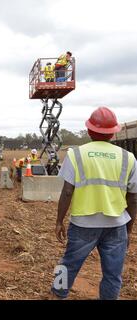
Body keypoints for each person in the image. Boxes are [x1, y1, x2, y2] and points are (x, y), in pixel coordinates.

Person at [51, 107, 137, 300]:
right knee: (113, 274)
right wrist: (129, 229)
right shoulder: (128, 158)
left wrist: (59, 221)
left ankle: (57, 294)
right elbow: (133, 198)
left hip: (83, 224)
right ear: (114, 132)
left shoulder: (76, 155)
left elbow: (67, 191)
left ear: (89, 131)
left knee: (66, 265)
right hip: (116, 226)